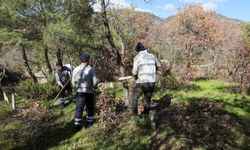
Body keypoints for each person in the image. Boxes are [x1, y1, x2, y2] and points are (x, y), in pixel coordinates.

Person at [131, 42, 161, 116]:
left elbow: (134, 72)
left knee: (133, 98)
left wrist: (135, 78)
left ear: (138, 50)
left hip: (142, 82)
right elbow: (159, 66)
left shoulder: (137, 58)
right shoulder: (152, 56)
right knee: (147, 100)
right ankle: (146, 115)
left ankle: (135, 116)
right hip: (152, 82)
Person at [72, 53, 98, 131]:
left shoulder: (75, 69)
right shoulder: (91, 69)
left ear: (81, 60)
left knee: (79, 108)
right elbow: (95, 81)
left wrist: (76, 87)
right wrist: (95, 87)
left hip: (79, 92)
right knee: (90, 107)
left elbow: (73, 81)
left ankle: (77, 125)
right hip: (89, 91)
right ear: (88, 60)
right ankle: (90, 123)